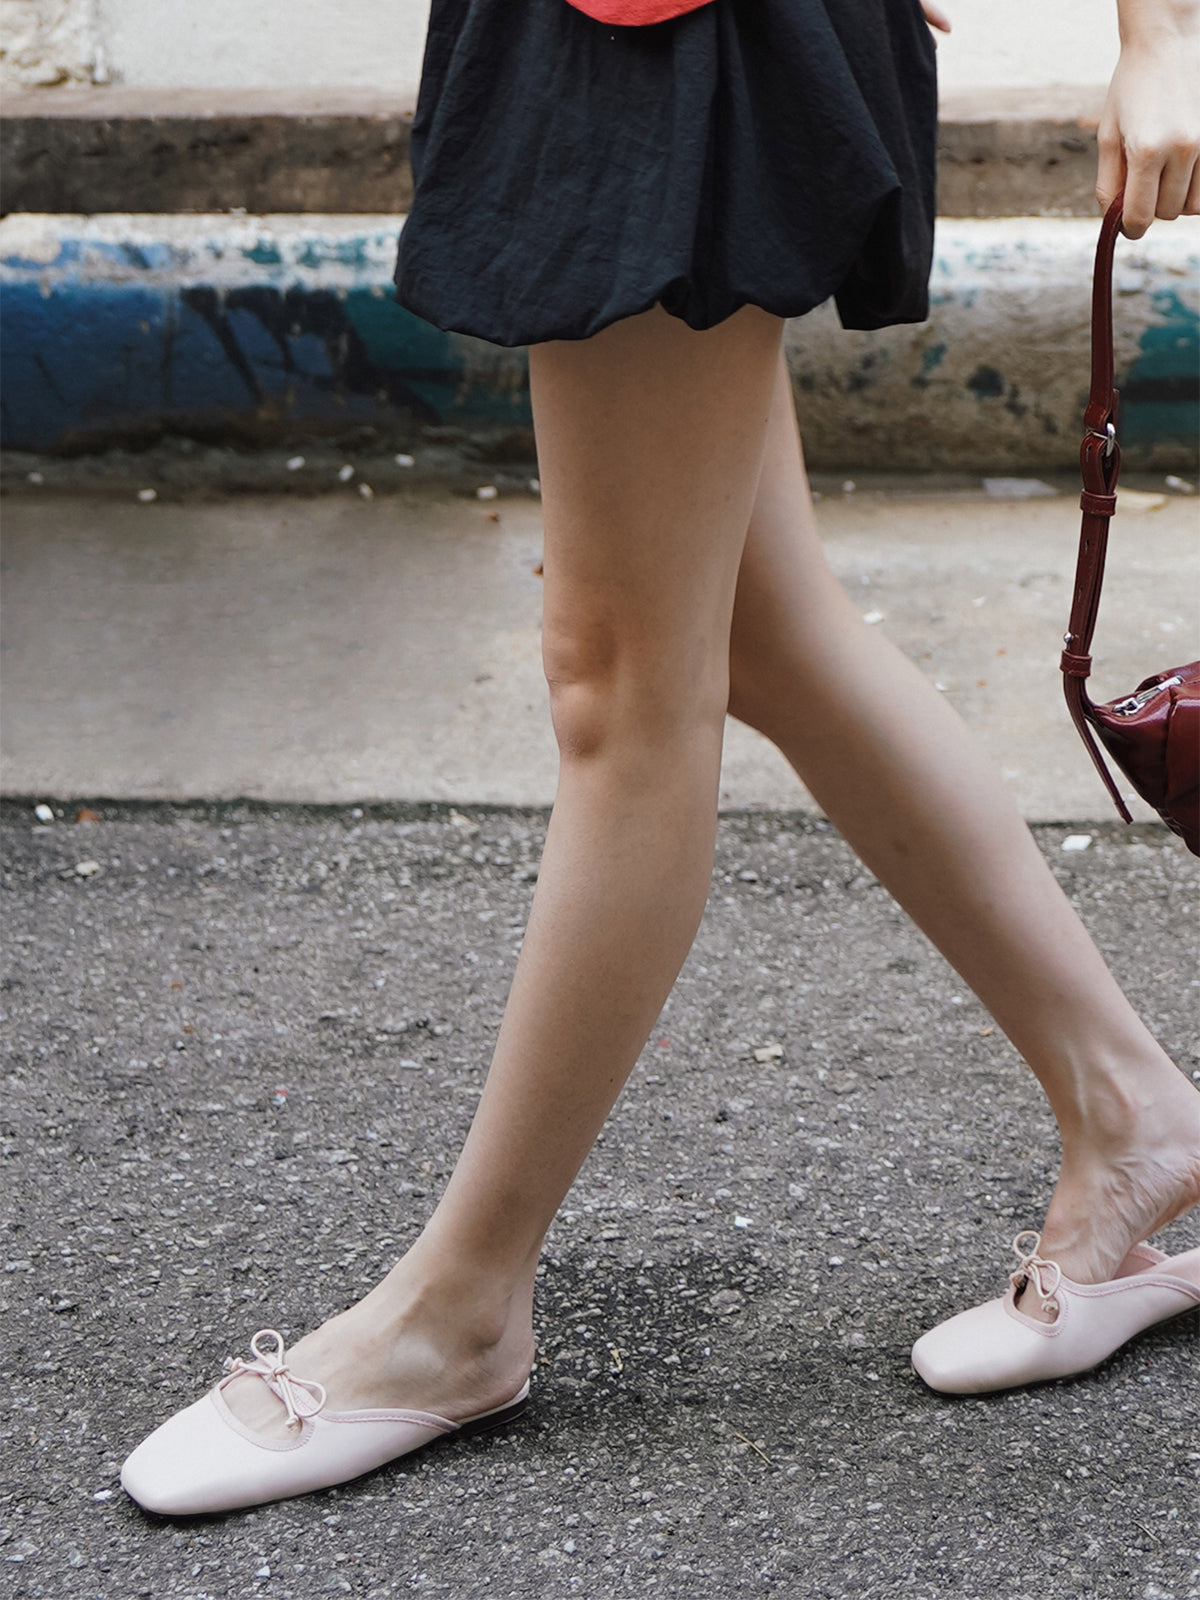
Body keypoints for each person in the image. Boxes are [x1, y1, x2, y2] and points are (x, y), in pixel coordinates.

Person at [121, 0, 1200, 1515]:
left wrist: (1160, 29)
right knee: (760, 633)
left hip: (669, 37)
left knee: (620, 687)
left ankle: (460, 1312)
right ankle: (1133, 1113)